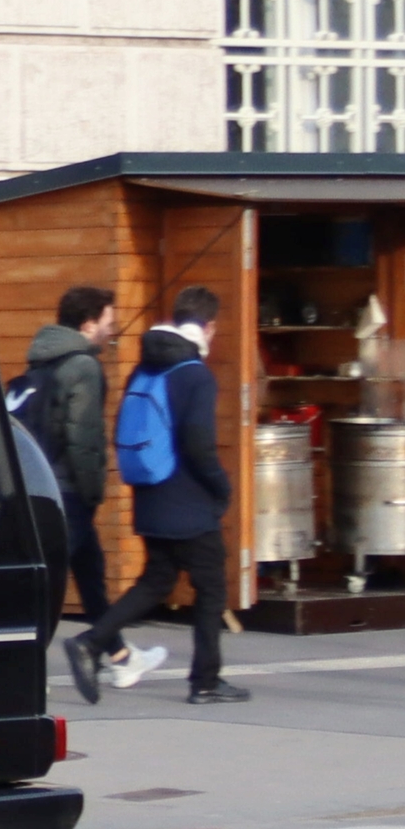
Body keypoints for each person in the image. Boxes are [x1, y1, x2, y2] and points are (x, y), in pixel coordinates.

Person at [66, 286, 248, 705]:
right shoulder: (195, 374)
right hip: (189, 502)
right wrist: (221, 487)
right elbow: (199, 443)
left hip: (149, 494)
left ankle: (92, 643)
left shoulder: (143, 368)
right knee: (211, 590)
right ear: (209, 325)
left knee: (156, 580)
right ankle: (205, 681)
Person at [26, 286, 165, 689]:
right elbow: (83, 438)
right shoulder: (83, 368)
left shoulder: (41, 361)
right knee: (48, 584)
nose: (113, 329)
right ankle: (25, 668)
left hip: (43, 484)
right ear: (89, 325)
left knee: (90, 574)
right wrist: (92, 492)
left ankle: (119, 655)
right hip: (68, 492)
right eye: (108, 321)